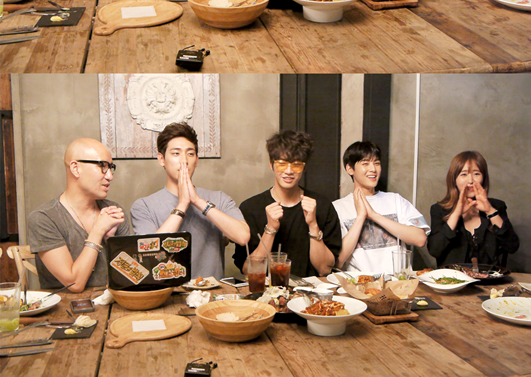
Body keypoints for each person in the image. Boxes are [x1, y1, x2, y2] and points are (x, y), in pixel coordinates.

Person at [130, 122, 250, 276]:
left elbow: (243, 237)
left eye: (190, 154)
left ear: (197, 160)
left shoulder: (219, 199)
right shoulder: (144, 206)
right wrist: (182, 204)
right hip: (167, 291)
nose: (184, 160)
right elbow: (150, 257)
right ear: (161, 159)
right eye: (176, 153)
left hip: (212, 290)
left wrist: (198, 202)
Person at [234, 129, 341, 278]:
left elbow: (325, 269)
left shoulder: (322, 206)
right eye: (282, 164)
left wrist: (313, 225)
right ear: (271, 164)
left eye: (296, 165)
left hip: (311, 290)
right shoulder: (251, 208)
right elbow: (249, 270)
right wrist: (270, 229)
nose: (289, 171)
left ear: (304, 168)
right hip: (266, 291)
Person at [28, 137, 127, 290]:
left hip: (113, 303)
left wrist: (111, 240)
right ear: (75, 168)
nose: (110, 176)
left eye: (110, 167)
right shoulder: (43, 218)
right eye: (102, 166)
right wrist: (98, 231)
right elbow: (74, 284)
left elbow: (133, 276)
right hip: (64, 305)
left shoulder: (113, 211)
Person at [334, 140, 428, 275]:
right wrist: (360, 217)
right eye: (365, 163)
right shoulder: (338, 207)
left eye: (376, 163)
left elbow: (420, 239)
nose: (373, 169)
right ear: (350, 169)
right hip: (359, 283)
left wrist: (374, 215)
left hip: (398, 282)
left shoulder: (395, 200)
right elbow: (337, 261)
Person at [428, 151, 519, 268]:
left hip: (489, 277)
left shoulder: (497, 206)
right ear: (454, 179)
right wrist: (456, 213)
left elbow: (512, 246)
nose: (470, 180)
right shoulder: (439, 209)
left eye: (476, 174)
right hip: (453, 277)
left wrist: (490, 211)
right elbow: (434, 250)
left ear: (483, 177)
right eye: (464, 174)